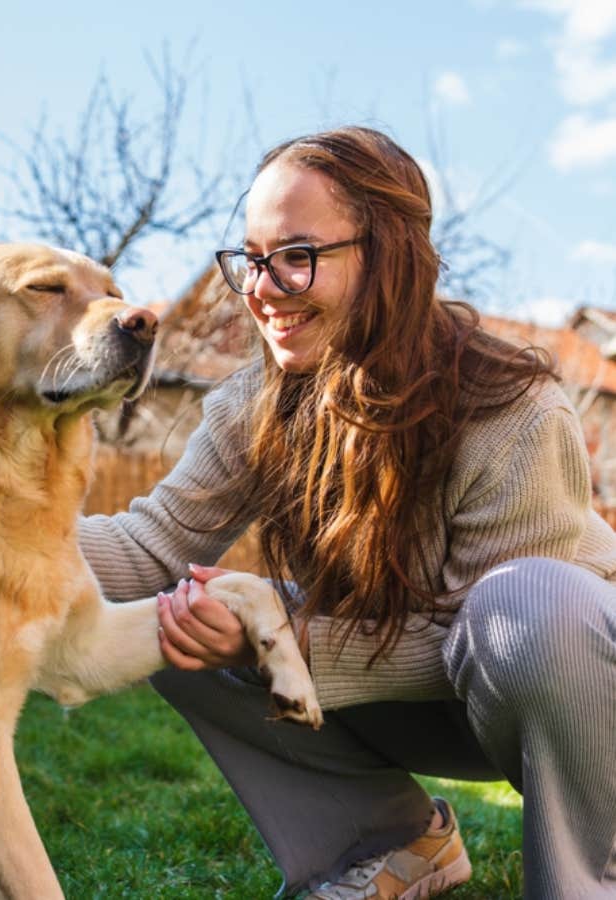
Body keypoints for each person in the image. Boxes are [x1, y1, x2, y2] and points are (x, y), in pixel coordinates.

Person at [78, 126, 616, 900]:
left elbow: (503, 641)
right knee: (176, 614)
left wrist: (280, 639)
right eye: (252, 260)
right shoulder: (256, 408)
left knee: (525, 605)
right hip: (436, 704)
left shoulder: (511, 408)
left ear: (388, 256)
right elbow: (148, 545)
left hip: (576, 711)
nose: (261, 288)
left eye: (296, 257)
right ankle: (386, 845)